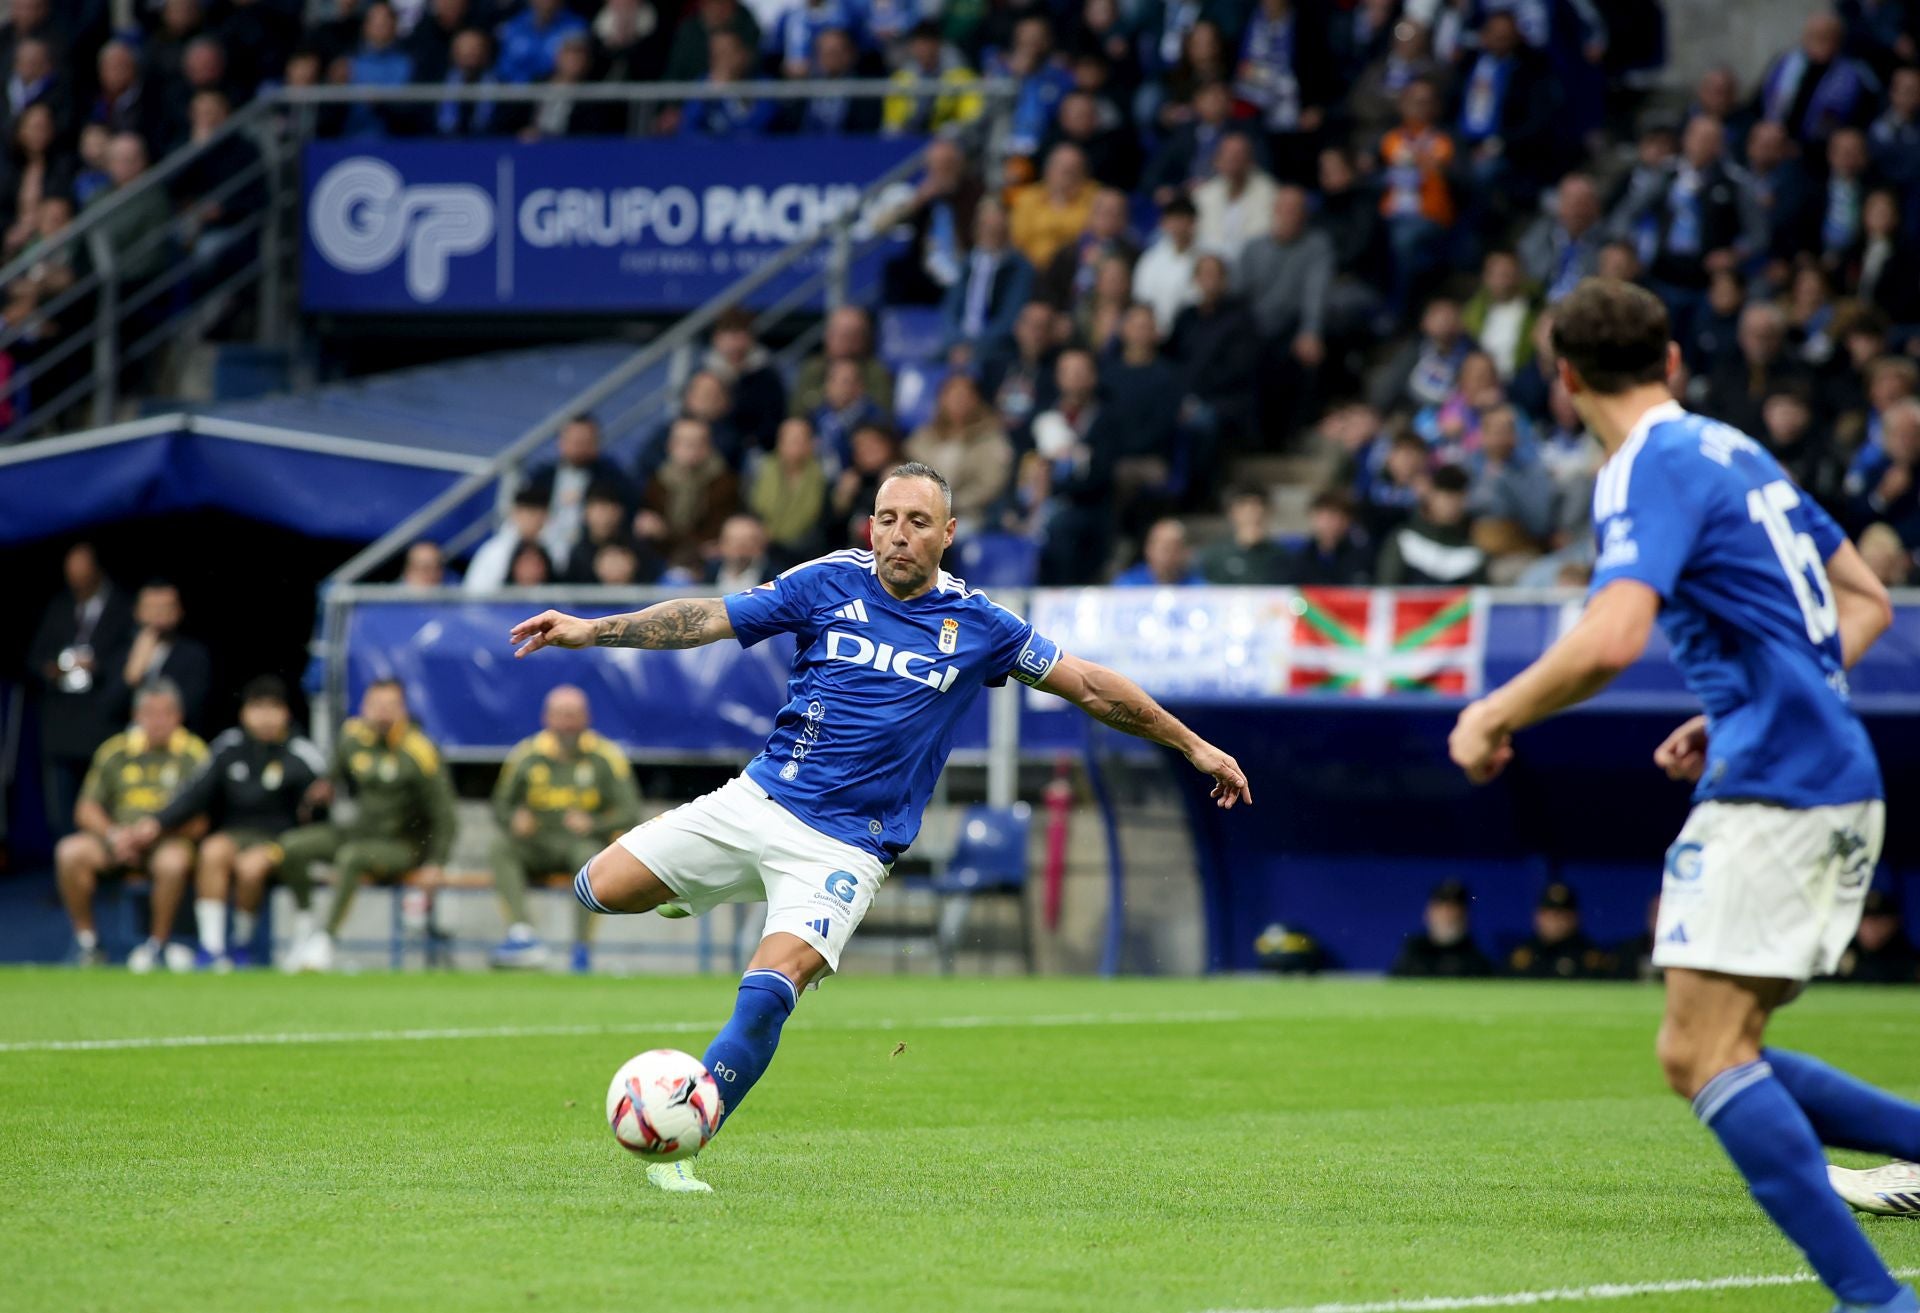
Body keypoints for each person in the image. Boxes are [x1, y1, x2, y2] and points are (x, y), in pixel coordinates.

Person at [507, 461, 1250, 1191]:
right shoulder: (827, 579)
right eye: (888, 519)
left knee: (769, 992)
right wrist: (590, 631)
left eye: (918, 522)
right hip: (760, 800)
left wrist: (1193, 744)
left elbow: (1088, 684)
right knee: (594, 888)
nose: (900, 534)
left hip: (846, 846)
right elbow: (708, 616)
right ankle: (698, 888)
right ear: (871, 525)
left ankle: (690, 1135)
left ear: (948, 533)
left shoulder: (981, 625)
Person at [1447, 277, 1919, 1313]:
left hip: (1782, 782)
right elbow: (1867, 600)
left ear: (1562, 379)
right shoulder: (1733, 447)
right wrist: (1749, 698)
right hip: (1815, 762)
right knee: (1715, 1047)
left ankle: (1875, 1298)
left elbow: (1613, 638)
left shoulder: (1639, 467)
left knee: (1698, 1053)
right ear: (1670, 361)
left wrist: (1494, 713)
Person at [133, 676, 328, 969]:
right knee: (212, 851)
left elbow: (322, 814)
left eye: (272, 708)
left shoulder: (302, 753)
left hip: (280, 841)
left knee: (249, 867)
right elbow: (194, 795)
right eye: (257, 708)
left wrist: (318, 802)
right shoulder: (228, 747)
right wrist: (156, 823)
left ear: (285, 712)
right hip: (234, 833)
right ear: (244, 713)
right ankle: (211, 948)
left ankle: (241, 943)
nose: (264, 717)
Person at [278, 680, 457, 972]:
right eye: (376, 706)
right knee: (292, 847)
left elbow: (445, 815)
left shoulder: (420, 751)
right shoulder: (351, 737)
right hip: (359, 832)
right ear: (364, 707)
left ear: (403, 710)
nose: (382, 714)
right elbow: (332, 777)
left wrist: (436, 862)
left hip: (403, 845)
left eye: (390, 707)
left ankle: (325, 940)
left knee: (352, 857)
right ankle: (305, 926)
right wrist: (322, 791)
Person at [55, 681, 208, 971]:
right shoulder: (115, 750)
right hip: (117, 839)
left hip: (168, 839)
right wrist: (114, 834)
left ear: (179, 716)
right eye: (149, 713)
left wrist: (154, 834)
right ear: (136, 716)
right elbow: (85, 809)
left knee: (172, 863)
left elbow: (202, 820)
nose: (158, 721)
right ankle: (88, 944)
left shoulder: (194, 754)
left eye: (166, 713)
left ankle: (157, 947)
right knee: (70, 852)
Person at [489, 686, 641, 973]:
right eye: (560, 715)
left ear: (587, 718)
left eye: (573, 715)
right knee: (500, 847)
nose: (566, 723)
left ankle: (581, 949)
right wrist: (514, 819)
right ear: (546, 718)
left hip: (579, 844)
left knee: (593, 861)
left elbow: (630, 809)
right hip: (537, 843)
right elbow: (500, 804)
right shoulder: (526, 754)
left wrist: (594, 823)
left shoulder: (606, 756)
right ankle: (522, 935)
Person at [29, 543, 134, 838]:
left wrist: (97, 666)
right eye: (70, 571)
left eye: (82, 569)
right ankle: (66, 863)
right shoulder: (59, 606)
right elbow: (35, 657)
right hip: (62, 722)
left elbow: (128, 659)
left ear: (97, 569)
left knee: (104, 799)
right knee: (62, 804)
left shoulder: (122, 606)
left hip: (103, 721)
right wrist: (52, 669)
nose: (76, 577)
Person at [117, 581, 212, 734]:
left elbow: (193, 708)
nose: (159, 614)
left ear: (180, 611)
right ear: (136, 611)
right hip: (126, 740)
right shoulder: (120, 650)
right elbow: (107, 708)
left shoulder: (194, 655)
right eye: (152, 608)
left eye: (166, 607)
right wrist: (134, 670)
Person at [1374, 464, 1486, 586]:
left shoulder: (1473, 554)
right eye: (1446, 496)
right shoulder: (1404, 541)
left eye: (1458, 497)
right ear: (1431, 496)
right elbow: (1386, 593)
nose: (1452, 504)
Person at [1389, 879, 1494, 978]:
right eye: (1441, 907)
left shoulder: (1476, 962)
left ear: (1465, 915)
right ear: (1428, 912)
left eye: (1454, 908)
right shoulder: (1411, 955)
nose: (1447, 914)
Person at [1825, 889, 1920, 986]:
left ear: (1893, 922)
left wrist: (1857, 969)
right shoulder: (1841, 948)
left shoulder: (1903, 950)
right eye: (1866, 921)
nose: (1872, 927)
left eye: (1879, 920)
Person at [1281, 488, 1371, 586]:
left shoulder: (1361, 558)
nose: (1333, 523)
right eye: (1327, 517)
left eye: (1340, 517)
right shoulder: (1298, 559)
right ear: (1313, 516)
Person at [1200, 486, 1285, 585]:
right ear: (1231, 512)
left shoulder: (1281, 557)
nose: (1252, 513)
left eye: (1258, 506)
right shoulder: (1215, 556)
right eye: (1244, 506)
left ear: (1268, 512)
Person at [1113, 517, 1202, 587]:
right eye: (1163, 548)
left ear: (1185, 552)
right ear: (1148, 549)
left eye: (1174, 548)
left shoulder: (1198, 588)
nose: (1167, 555)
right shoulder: (1128, 584)